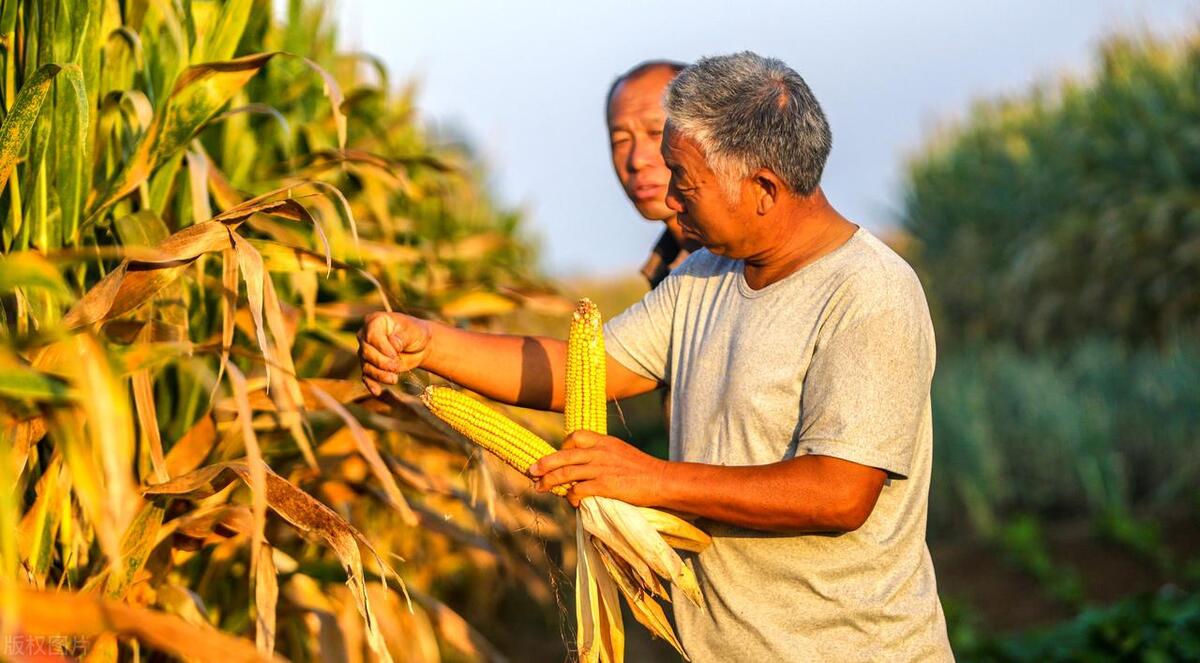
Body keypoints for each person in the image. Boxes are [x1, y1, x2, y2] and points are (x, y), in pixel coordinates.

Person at [358, 52, 953, 661]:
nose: (668, 195)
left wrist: (649, 479)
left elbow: (839, 494)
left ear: (765, 190)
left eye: (684, 180)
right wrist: (428, 343)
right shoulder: (705, 275)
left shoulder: (869, 292)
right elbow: (580, 372)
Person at [605, 60, 703, 288]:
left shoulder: (745, 264)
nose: (636, 160)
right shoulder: (664, 271)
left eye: (656, 132)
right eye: (621, 140)